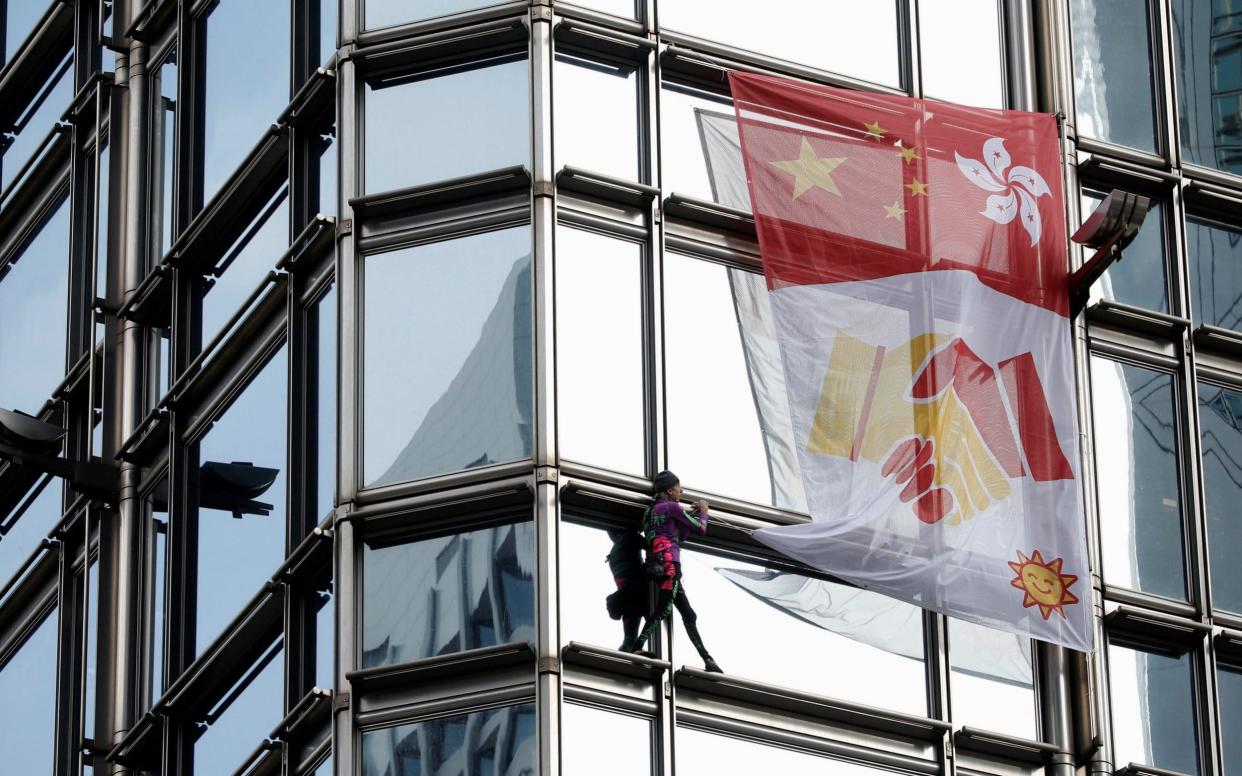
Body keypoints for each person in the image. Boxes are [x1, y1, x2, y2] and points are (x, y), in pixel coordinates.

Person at [630, 470, 723, 673]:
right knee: (663, 609)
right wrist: (704, 511)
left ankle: (708, 659)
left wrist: (688, 517)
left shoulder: (650, 512)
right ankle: (636, 647)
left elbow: (679, 535)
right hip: (671, 564)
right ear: (671, 490)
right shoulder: (672, 507)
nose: (680, 492)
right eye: (679, 489)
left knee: (689, 614)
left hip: (658, 565)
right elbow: (701, 529)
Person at [604, 528, 646, 652]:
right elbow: (654, 545)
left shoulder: (614, 551)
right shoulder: (629, 537)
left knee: (629, 637)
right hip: (634, 591)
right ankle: (631, 647)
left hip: (628, 594)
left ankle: (629, 647)